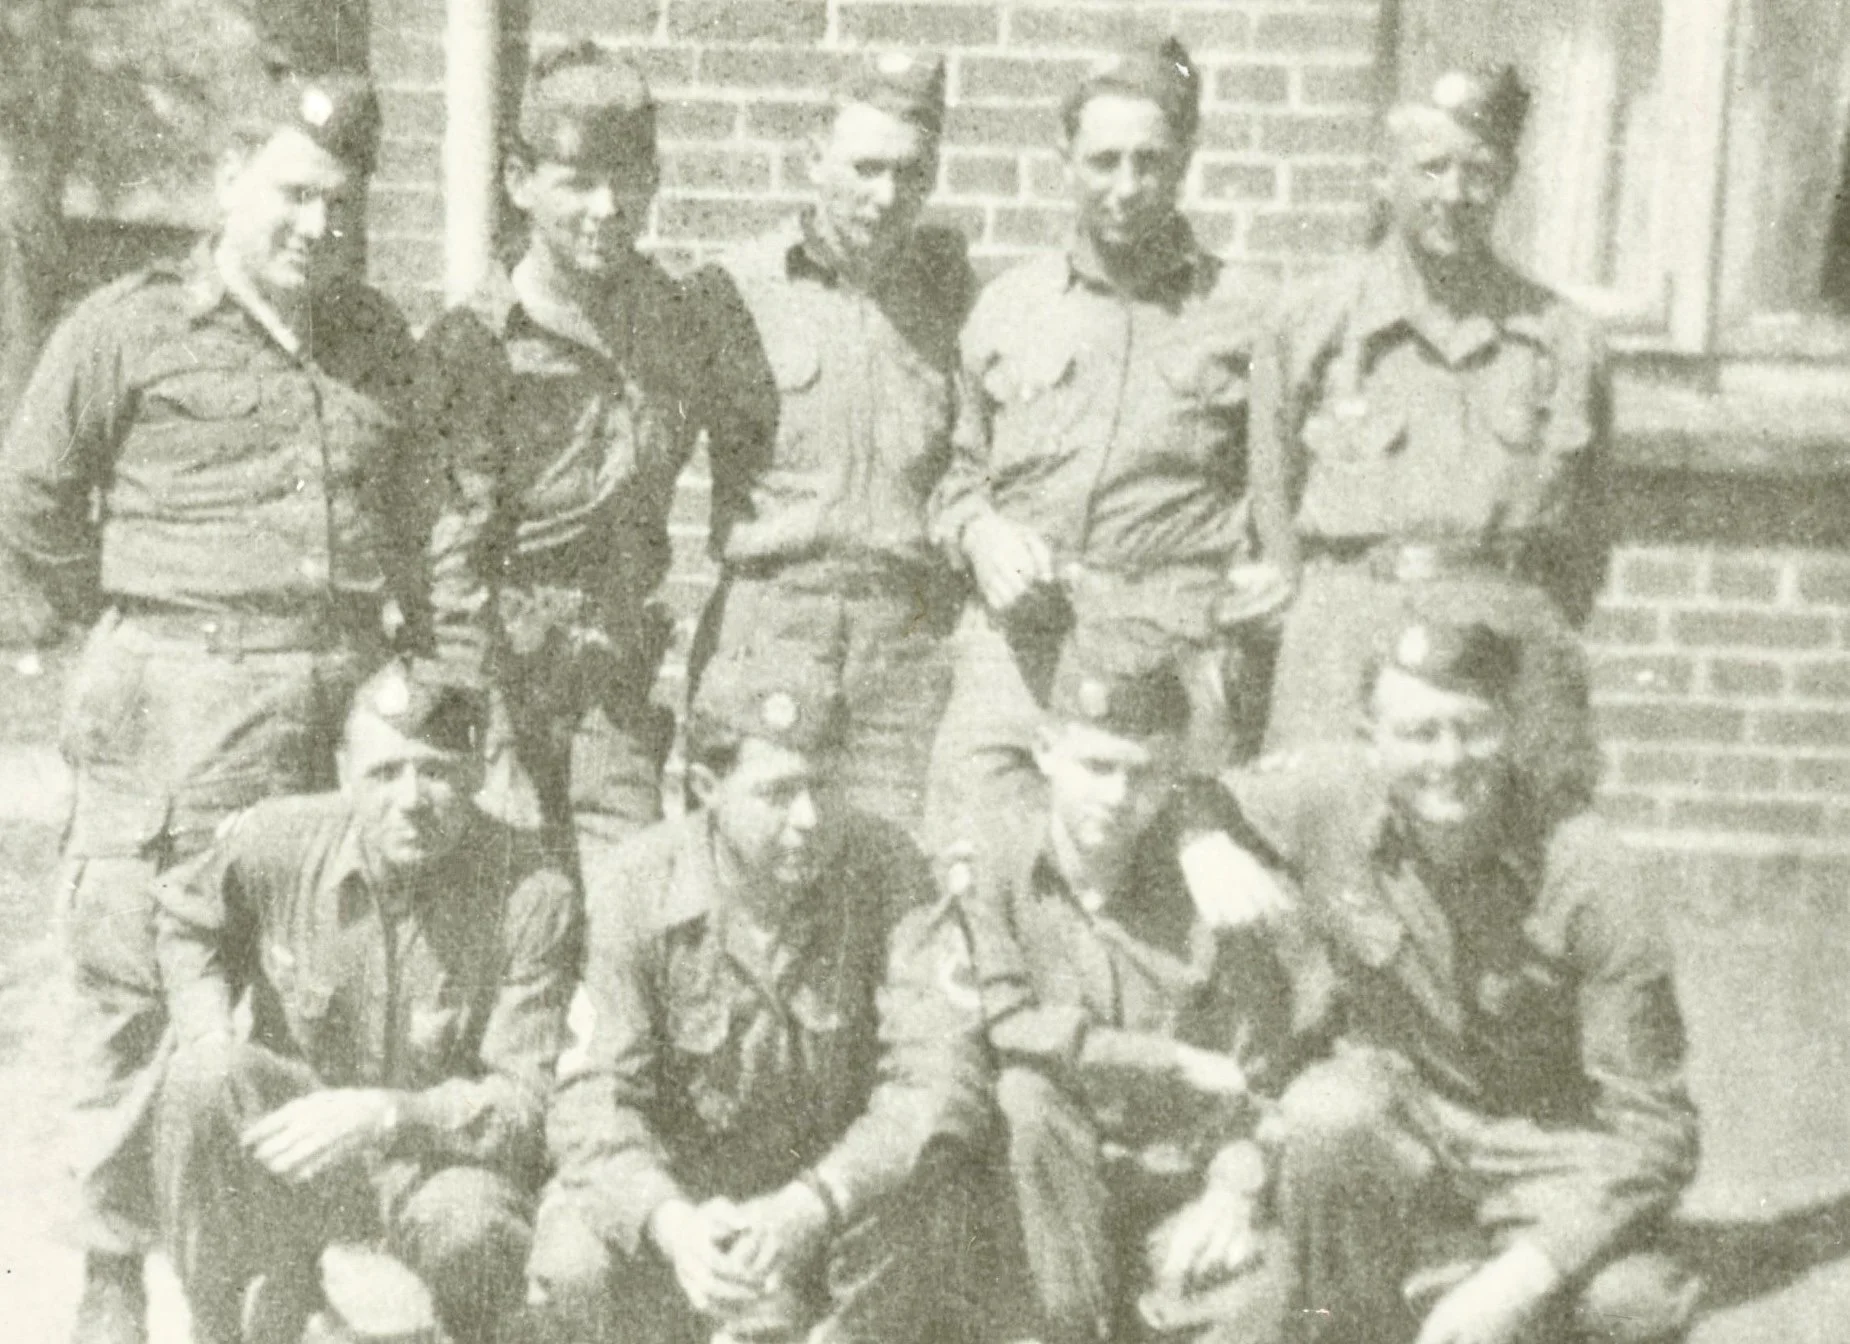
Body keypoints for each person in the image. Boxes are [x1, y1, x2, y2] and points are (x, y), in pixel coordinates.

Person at [0, 62, 420, 1344]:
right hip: (172, 711)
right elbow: (31, 506)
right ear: (229, 180)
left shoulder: (374, 341)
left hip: (327, 707)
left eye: (343, 207)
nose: (318, 230)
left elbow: (406, 515)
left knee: (305, 989)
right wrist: (138, 630)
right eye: (295, 195)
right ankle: (113, 1271)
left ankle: (281, 1277)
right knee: (135, 990)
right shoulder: (126, 328)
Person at [1218, 610, 1701, 1344]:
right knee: (1326, 1112)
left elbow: (1656, 1132)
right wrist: (1199, 840)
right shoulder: (1328, 800)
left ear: (1509, 728)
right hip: (1411, 1131)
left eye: (1472, 728)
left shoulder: (1593, 870)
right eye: (1419, 732)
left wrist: (1517, 1284)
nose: (1449, 758)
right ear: (1369, 739)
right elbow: (1186, 789)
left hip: (1547, 1159)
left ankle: (1476, 1290)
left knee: (1632, 1305)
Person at [528, 656, 990, 1344]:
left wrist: (813, 1203)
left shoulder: (890, 871)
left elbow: (940, 1078)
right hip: (687, 1210)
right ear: (708, 786)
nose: (809, 817)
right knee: (573, 1259)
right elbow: (592, 1101)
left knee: (926, 1201)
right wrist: (672, 1223)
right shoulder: (635, 885)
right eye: (778, 793)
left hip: (830, 1205)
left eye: (826, 787)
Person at [924, 32, 1287, 854]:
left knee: (1172, 906)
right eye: (1104, 161)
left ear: (1185, 159)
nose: (1126, 187)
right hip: (1019, 652)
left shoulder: (1251, 314)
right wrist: (981, 533)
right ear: (1065, 158)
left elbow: (1287, 510)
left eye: (1150, 162)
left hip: (1169, 659)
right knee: (974, 874)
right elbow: (954, 477)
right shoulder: (1008, 306)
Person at [152, 660, 579, 1344]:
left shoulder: (532, 892)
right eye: (384, 774)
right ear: (345, 772)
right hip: (299, 1152)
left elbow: (525, 1104)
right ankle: (222, 1323)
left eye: (436, 771)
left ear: (476, 773)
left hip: (436, 1167)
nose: (410, 798)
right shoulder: (278, 838)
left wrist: (387, 1114)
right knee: (204, 1078)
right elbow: (188, 922)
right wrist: (208, 1033)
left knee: (473, 1224)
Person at [952, 617, 1325, 1344]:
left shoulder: (1212, 886)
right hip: (1044, 1210)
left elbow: (1264, 1069)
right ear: (1046, 752)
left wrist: (1235, 1182)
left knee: (1278, 1290)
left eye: (1146, 773)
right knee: (1024, 1094)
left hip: (1179, 1189)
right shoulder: (990, 875)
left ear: (1176, 774)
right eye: (1097, 767)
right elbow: (1007, 1024)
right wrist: (1172, 1058)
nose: (1120, 796)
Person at [1249, 65, 1609, 819]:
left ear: (1507, 180)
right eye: (1431, 168)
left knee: (1519, 862)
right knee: (1321, 841)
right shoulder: (1310, 320)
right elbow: (1272, 496)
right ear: (1384, 178)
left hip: (1503, 632)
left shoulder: (1564, 339)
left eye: (1479, 171)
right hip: (1347, 623)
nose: (1454, 193)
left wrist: (1515, 608)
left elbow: (1586, 541)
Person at [415, 42, 701, 863]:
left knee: (631, 909)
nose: (607, 207)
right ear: (519, 181)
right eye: (578, 181)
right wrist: (480, 733)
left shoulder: (676, 323)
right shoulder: (472, 345)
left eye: (630, 180)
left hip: (611, 681)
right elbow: (451, 565)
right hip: (502, 679)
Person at [691, 49, 971, 835]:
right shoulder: (731, 292)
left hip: (902, 647)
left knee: (892, 882)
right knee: (750, 874)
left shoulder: (954, 303)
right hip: (774, 625)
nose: (886, 197)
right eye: (865, 168)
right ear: (814, 160)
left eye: (911, 174)